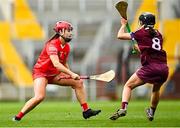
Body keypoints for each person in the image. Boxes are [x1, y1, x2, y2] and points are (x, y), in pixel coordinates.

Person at [13, 21, 101, 121]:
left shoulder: (66, 47)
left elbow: (63, 63)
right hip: (41, 73)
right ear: (61, 31)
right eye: (68, 30)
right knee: (39, 97)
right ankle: (17, 117)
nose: (70, 33)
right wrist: (71, 74)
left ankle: (86, 111)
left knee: (78, 83)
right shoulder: (52, 45)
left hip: (54, 74)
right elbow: (56, 64)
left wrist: (69, 74)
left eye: (70, 30)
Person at [109, 12, 169, 121]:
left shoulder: (140, 32)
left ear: (142, 22)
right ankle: (151, 112)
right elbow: (150, 48)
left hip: (150, 67)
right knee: (156, 90)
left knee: (128, 86)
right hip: (163, 68)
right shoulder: (158, 34)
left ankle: (123, 108)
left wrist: (123, 24)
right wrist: (138, 47)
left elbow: (120, 36)